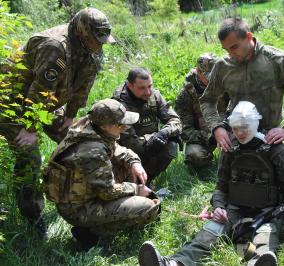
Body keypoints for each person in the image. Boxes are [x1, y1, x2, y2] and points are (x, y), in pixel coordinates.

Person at [138, 101, 284, 266]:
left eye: (244, 127)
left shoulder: (274, 149)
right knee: (208, 235)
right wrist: (219, 206)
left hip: (268, 212)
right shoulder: (229, 148)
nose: (239, 132)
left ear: (255, 124)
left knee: (264, 239)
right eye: (235, 128)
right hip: (234, 209)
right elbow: (221, 187)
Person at [0, 7, 115, 232]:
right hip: (9, 102)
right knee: (29, 152)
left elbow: (84, 85)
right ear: (83, 33)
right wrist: (30, 128)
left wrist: (70, 116)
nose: (99, 45)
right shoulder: (55, 47)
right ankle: (31, 216)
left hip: (43, 103)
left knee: (76, 136)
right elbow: (39, 91)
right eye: (95, 38)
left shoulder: (91, 47)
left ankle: (85, 193)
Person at [44, 99, 160, 250]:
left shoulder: (90, 127)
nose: (124, 127)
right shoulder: (93, 150)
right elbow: (107, 192)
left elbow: (115, 149)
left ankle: (96, 226)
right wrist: (137, 190)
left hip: (82, 195)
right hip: (79, 209)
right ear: (105, 125)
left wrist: (134, 162)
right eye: (120, 124)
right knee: (148, 207)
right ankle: (91, 232)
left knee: (127, 167)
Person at [199, 17, 284, 152]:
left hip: (269, 136)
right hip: (237, 134)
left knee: (278, 171)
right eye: (226, 49)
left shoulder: (277, 60)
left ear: (249, 37)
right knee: (230, 170)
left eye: (234, 47)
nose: (230, 54)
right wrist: (217, 128)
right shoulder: (223, 66)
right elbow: (207, 100)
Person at [113, 68, 182, 185]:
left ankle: (148, 179)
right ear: (130, 85)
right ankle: (134, 180)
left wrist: (164, 133)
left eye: (150, 86)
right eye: (142, 88)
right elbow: (128, 141)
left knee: (171, 144)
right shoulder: (119, 104)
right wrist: (153, 139)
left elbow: (175, 120)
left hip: (151, 145)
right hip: (127, 154)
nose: (148, 92)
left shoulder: (154, 96)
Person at [175, 53, 229, 167]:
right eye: (209, 77)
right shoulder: (186, 94)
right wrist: (209, 136)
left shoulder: (227, 84)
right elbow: (184, 128)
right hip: (202, 136)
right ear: (197, 72)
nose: (213, 80)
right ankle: (209, 163)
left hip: (228, 130)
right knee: (195, 156)